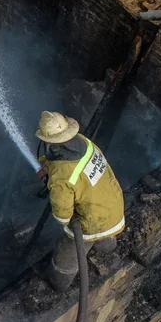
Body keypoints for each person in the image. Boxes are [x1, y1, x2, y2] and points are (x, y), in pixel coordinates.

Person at [35, 110, 126, 291]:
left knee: (66, 251)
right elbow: (71, 168)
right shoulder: (84, 143)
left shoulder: (62, 178)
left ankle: (58, 282)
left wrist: (55, 185)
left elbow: (62, 216)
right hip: (114, 206)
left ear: (48, 140)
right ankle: (107, 248)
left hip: (93, 222)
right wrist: (49, 169)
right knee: (104, 230)